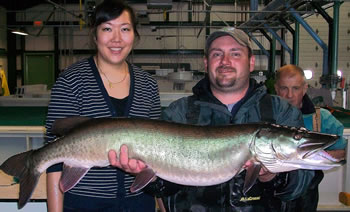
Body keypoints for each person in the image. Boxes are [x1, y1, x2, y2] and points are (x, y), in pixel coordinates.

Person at [109, 27, 315, 211]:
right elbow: (165, 188)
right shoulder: (179, 113)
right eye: (217, 54)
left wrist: (273, 176)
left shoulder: (281, 112)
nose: (225, 61)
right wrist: (148, 175)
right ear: (206, 63)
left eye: (235, 54)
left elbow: (301, 185)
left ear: (251, 62)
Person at [45, 0, 161, 211]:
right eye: (107, 29)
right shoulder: (71, 81)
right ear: (95, 34)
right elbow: (52, 159)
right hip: (85, 204)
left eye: (125, 29)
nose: (116, 39)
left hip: (139, 203)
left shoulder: (148, 86)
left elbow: (158, 156)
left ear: (134, 34)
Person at [274, 64, 347, 212]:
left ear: (305, 88)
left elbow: (341, 151)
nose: (289, 95)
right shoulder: (264, 116)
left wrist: (310, 158)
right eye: (284, 88)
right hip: (270, 194)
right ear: (276, 88)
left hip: (306, 197)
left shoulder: (321, 119)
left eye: (295, 88)